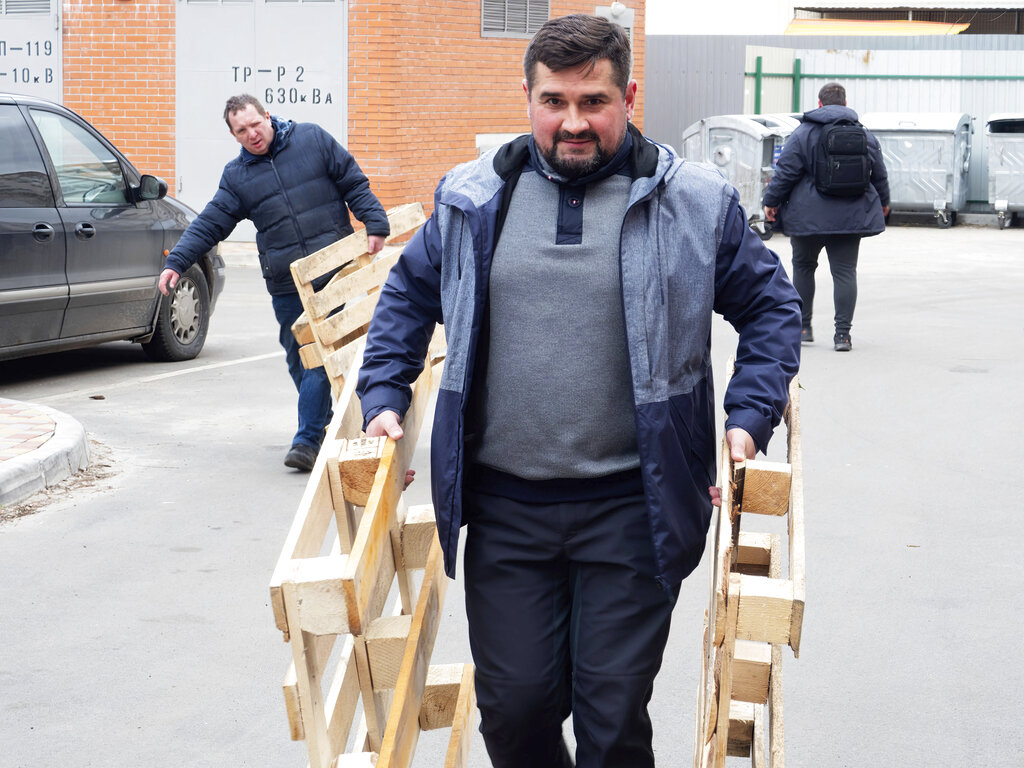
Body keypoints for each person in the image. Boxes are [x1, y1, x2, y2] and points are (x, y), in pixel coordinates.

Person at [357, 15, 801, 767]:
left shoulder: (694, 202)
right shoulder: (472, 200)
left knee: (611, 712)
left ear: (628, 95)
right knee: (516, 707)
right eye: (553, 101)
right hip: (505, 508)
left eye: (592, 101)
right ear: (527, 98)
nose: (572, 122)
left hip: (634, 506)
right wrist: (383, 394)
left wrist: (747, 418)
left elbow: (771, 310)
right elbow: (406, 297)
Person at [160, 94, 390, 471]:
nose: (252, 134)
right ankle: (327, 422)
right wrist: (179, 262)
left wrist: (375, 223)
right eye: (241, 131)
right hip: (286, 281)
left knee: (318, 349)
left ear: (268, 116)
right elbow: (209, 223)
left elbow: (352, 180)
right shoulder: (238, 178)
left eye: (255, 124)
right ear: (233, 136)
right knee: (298, 354)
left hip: (332, 269)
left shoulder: (312, 139)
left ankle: (307, 439)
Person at [762, 82, 890, 352]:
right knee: (844, 273)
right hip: (850, 216)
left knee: (804, 268)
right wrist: (885, 203)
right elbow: (879, 173)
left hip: (807, 217)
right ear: (845, 103)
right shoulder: (864, 134)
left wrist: (770, 202)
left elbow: (785, 171)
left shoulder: (803, 133)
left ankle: (804, 328)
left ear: (819, 104)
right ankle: (842, 336)